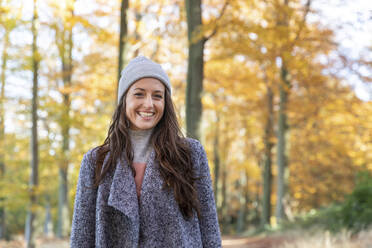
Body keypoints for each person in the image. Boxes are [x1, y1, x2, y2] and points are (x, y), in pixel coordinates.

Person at [70, 56, 221, 247]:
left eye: (157, 95)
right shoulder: (96, 161)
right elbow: (81, 238)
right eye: (139, 94)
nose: (149, 104)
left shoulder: (189, 154)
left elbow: (210, 231)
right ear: (124, 99)